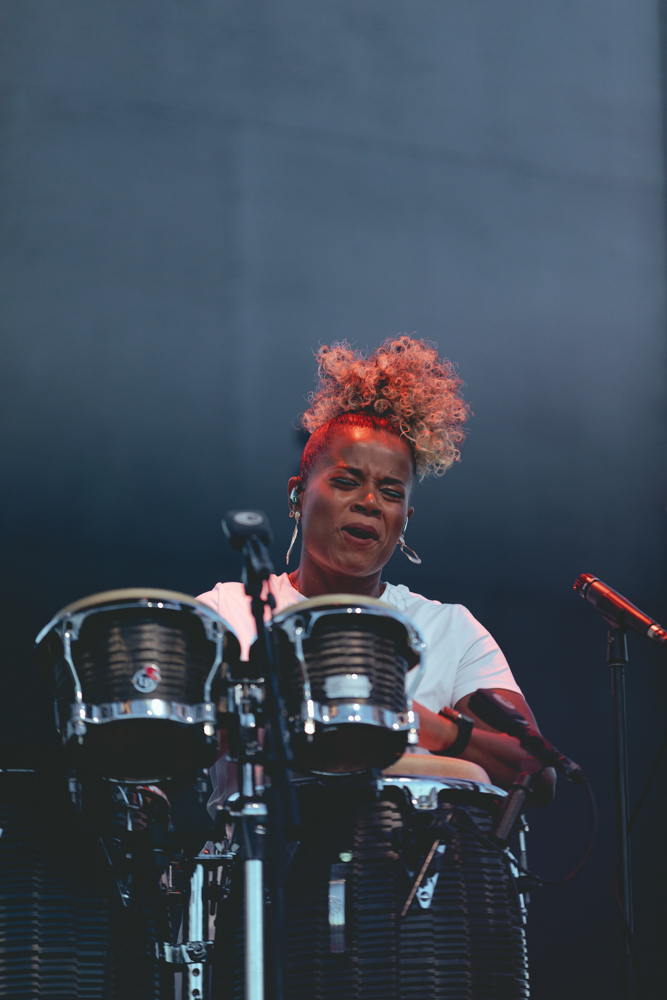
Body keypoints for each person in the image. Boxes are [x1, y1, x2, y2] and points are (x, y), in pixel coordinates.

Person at [197, 336, 555, 811]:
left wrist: (424, 724)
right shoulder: (227, 613)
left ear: (405, 519)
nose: (369, 502)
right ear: (297, 496)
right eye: (346, 482)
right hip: (257, 856)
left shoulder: (449, 631)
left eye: (390, 492)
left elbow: (539, 775)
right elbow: (162, 755)